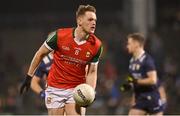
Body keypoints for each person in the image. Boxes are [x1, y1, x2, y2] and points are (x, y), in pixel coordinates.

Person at [20, 4, 103, 115]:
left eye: (95, 20)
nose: (94, 23)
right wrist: (29, 77)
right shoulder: (59, 35)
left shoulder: (96, 45)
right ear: (79, 21)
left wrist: (90, 91)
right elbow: (39, 54)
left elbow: (92, 72)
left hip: (76, 89)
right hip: (55, 88)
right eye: (90, 19)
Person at [125, 33, 164, 115]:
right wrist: (128, 85)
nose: (127, 46)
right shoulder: (132, 61)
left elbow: (153, 80)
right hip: (140, 99)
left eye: (129, 43)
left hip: (152, 99)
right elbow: (131, 80)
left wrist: (136, 81)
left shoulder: (147, 60)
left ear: (136, 44)